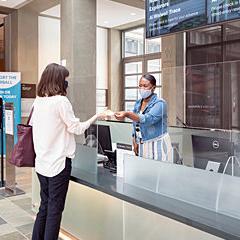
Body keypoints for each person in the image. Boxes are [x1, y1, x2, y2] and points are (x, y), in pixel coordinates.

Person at [31, 63, 106, 240]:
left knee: (44, 206)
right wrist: (97, 116)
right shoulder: (61, 102)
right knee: (55, 210)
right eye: (65, 80)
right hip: (59, 164)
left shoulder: (38, 101)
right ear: (58, 80)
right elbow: (77, 128)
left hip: (41, 163)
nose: (67, 83)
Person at [115, 74, 172, 162]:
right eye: (140, 86)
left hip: (157, 143)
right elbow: (135, 123)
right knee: (145, 171)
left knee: (159, 172)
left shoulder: (160, 103)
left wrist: (127, 114)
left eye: (145, 86)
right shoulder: (138, 103)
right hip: (142, 143)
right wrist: (134, 140)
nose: (142, 88)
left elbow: (148, 119)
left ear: (153, 87)